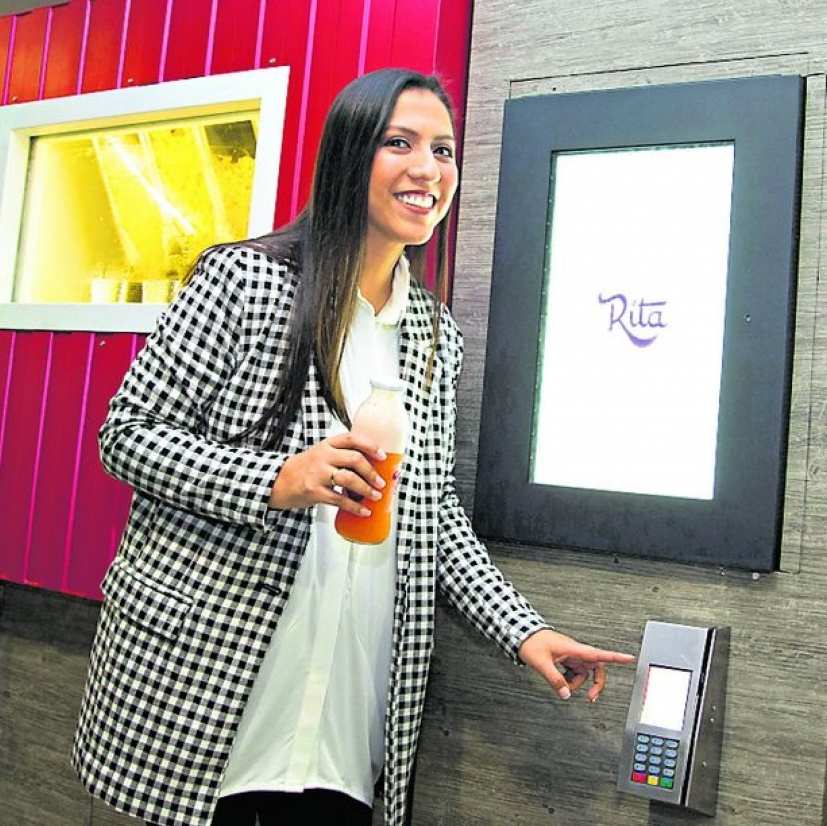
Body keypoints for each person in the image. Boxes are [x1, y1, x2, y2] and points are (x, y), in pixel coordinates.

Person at [73, 67, 633, 826]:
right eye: (399, 143)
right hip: (212, 681)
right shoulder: (244, 280)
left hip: (349, 700)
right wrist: (277, 479)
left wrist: (522, 631)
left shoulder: (434, 335)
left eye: (442, 149)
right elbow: (128, 435)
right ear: (349, 155)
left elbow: (431, 514)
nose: (427, 168)